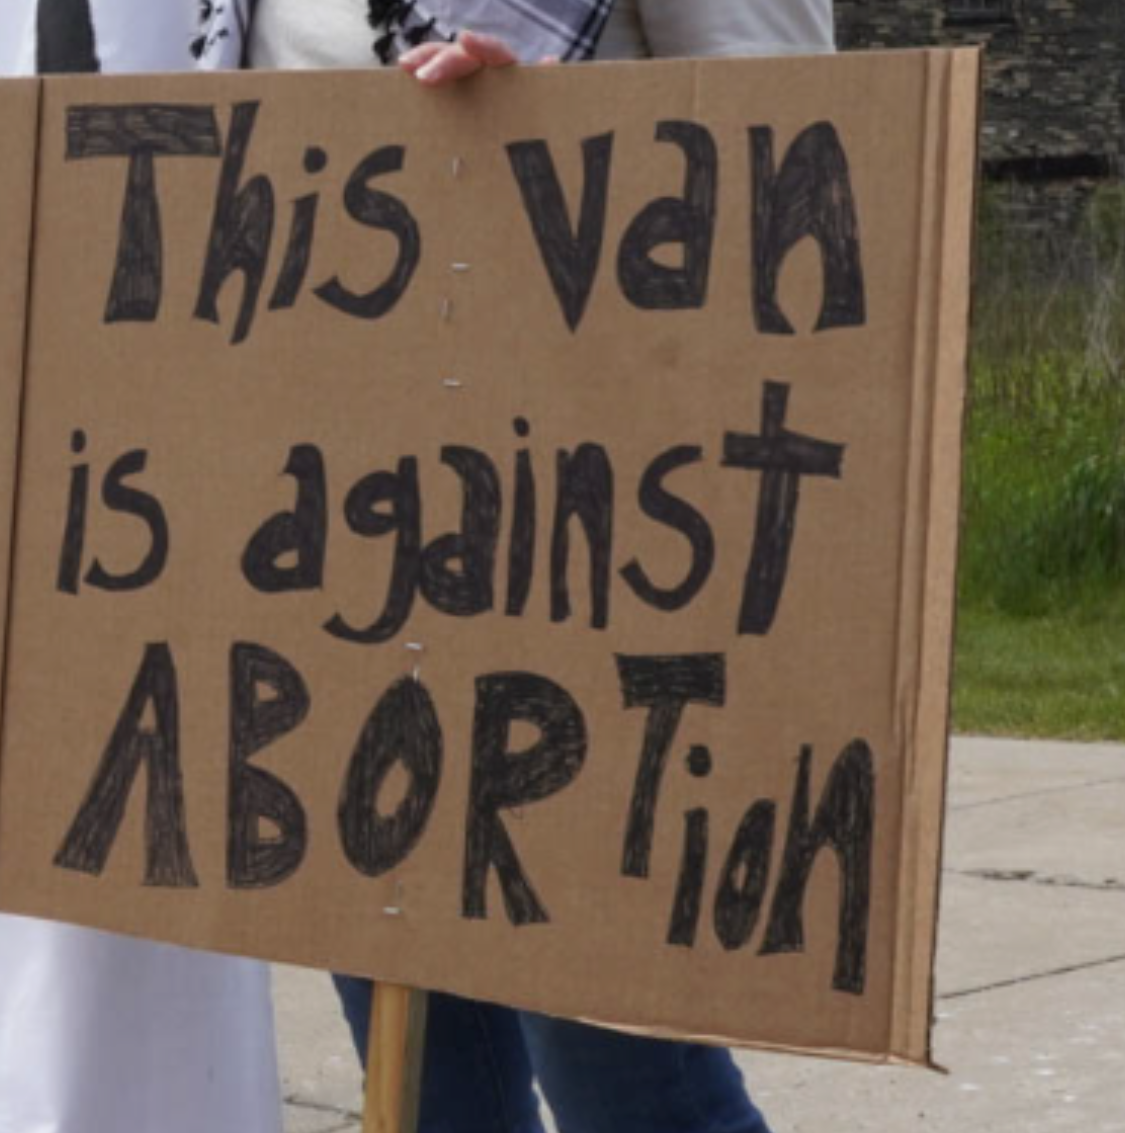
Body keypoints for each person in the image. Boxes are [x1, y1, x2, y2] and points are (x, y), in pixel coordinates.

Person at [244, 2, 834, 1130]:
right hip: (329, 515)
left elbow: (799, 149)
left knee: (627, 1069)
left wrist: (554, 139)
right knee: (418, 1060)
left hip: (571, 514)